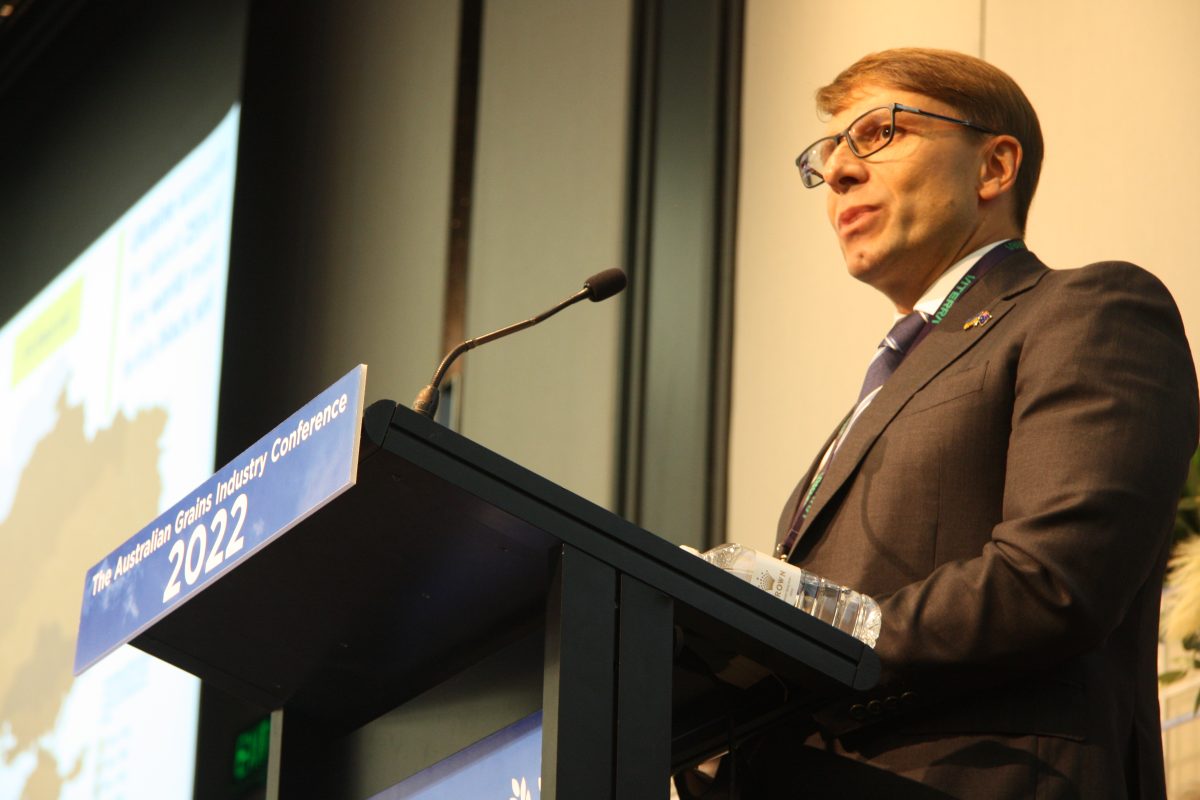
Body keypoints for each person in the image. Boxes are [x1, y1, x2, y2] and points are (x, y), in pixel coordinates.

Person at [680, 48, 1198, 799]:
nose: (839, 173)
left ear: (994, 167)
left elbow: (1053, 581)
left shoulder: (1090, 310)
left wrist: (822, 635)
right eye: (827, 154)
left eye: (880, 133)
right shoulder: (879, 395)